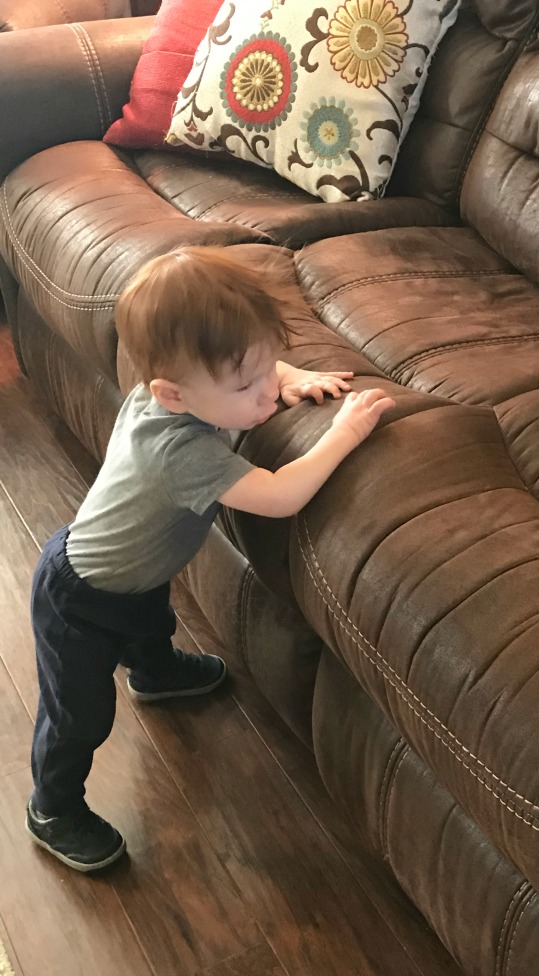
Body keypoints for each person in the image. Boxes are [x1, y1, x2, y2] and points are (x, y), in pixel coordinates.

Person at [26, 245, 395, 872]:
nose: (266, 393)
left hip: (129, 576)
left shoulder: (178, 394)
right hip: (80, 601)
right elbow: (279, 497)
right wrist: (344, 434)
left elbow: (259, 367)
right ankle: (52, 807)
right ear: (171, 395)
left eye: (266, 369)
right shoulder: (181, 453)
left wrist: (292, 376)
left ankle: (155, 673)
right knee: (78, 715)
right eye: (246, 386)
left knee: (149, 620)